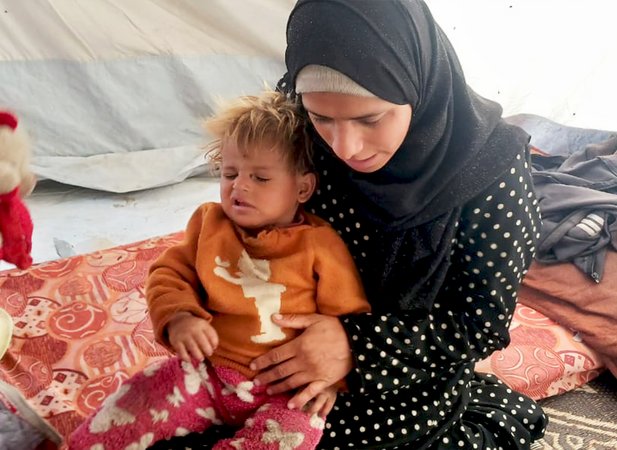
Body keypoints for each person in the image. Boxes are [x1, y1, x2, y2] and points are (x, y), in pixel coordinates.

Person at [151, 0, 548, 448]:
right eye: (322, 118)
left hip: (399, 375)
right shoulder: (295, 120)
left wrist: (354, 348)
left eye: (370, 118)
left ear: (416, 85)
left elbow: (479, 324)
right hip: (265, 353)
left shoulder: (492, 171)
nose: (344, 147)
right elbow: (251, 214)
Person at [68, 90, 371, 450]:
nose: (239, 186)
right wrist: (179, 317)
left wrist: (331, 381)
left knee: (295, 436)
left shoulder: (321, 245)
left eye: (260, 178)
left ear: (302, 187)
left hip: (286, 391)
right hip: (207, 374)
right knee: (137, 398)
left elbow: (349, 317)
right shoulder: (209, 224)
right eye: (230, 173)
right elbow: (169, 274)